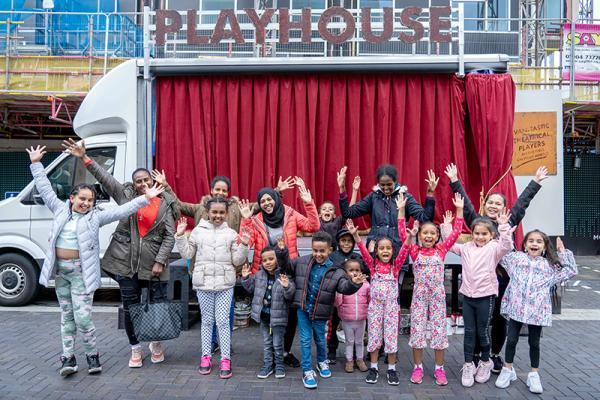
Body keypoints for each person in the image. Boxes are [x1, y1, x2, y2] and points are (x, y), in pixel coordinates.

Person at [27, 145, 164, 376]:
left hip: (82, 274)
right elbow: (45, 189)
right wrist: (36, 164)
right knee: (67, 317)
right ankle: (68, 358)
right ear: (72, 199)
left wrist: (145, 199)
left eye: (90, 200)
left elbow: (123, 211)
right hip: (61, 274)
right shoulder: (60, 210)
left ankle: (92, 356)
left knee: (82, 318)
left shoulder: (95, 218)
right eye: (82, 199)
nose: (86, 203)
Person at [62, 138, 178, 368]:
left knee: (156, 306)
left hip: (153, 264)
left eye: (146, 179)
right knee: (130, 306)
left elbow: (170, 235)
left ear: (152, 180)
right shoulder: (125, 195)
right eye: (138, 181)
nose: (143, 183)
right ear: (133, 184)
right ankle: (135, 348)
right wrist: (84, 157)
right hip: (124, 263)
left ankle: (155, 343)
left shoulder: (165, 202)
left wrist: (160, 260)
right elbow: (104, 177)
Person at [151, 170, 293, 354]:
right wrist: (166, 185)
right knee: (208, 313)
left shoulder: (236, 208)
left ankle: (224, 342)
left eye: (224, 190)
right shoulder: (199, 208)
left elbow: (259, 205)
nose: (220, 193)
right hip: (203, 268)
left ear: (228, 193)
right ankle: (210, 344)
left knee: (227, 310)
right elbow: (176, 204)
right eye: (217, 189)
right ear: (211, 191)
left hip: (228, 268)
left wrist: (277, 192)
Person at [445, 163, 548, 373]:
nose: (493, 205)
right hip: (479, 281)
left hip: (502, 281)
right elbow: (466, 207)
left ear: (503, 207)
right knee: (477, 322)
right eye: (490, 202)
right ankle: (475, 356)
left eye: (498, 203)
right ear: (485, 204)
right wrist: (455, 182)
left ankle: (493, 355)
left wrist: (535, 182)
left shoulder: (508, 222)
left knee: (500, 320)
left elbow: (522, 204)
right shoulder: (478, 222)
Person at [239, 177, 320, 368]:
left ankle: (284, 351)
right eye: (263, 201)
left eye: (270, 199)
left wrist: (308, 203)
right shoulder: (257, 220)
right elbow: (244, 241)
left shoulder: (290, 214)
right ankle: (273, 352)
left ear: (276, 198)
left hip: (288, 271)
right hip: (265, 273)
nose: (267, 204)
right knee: (269, 314)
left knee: (290, 315)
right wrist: (245, 220)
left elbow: (313, 226)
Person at [174, 197, 250, 379]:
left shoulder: (231, 233)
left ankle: (225, 359)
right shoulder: (198, 232)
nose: (217, 215)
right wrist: (180, 236)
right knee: (207, 321)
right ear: (208, 212)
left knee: (223, 322)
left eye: (221, 212)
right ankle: (206, 356)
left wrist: (245, 244)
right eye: (214, 212)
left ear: (226, 214)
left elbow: (237, 261)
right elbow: (187, 254)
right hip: (204, 284)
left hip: (225, 284)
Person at [495, 234, 577, 394]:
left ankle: (534, 374)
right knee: (511, 340)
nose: (534, 244)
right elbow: (500, 253)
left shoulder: (549, 266)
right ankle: (508, 369)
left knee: (534, 343)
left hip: (537, 313)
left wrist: (563, 252)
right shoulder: (516, 260)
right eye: (531, 241)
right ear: (525, 245)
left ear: (545, 247)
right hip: (516, 310)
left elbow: (571, 271)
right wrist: (504, 230)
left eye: (539, 242)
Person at [441, 210, 513, 387]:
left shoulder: (495, 248)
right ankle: (468, 364)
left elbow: (507, 245)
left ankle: (485, 362)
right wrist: (446, 227)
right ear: (471, 234)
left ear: (491, 235)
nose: (480, 237)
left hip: (485, 297)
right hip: (468, 297)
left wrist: (503, 226)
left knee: (482, 331)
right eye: (477, 233)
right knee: (469, 332)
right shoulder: (466, 248)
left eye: (484, 234)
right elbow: (450, 244)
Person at [287, 231, 366, 389]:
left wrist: (354, 283)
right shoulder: (302, 262)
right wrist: (282, 251)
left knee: (320, 339)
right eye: (315, 250)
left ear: (330, 250)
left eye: (322, 251)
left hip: (321, 312)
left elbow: (344, 287)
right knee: (305, 340)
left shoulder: (337, 271)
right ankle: (307, 370)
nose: (318, 254)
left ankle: (322, 361)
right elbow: (286, 265)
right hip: (303, 309)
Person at [399, 193, 464, 386]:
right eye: (425, 233)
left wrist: (459, 210)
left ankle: (439, 368)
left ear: (437, 236)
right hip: (419, 297)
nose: (428, 236)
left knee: (439, 332)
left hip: (437, 297)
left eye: (432, 233)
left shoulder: (441, 250)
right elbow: (403, 233)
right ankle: (417, 367)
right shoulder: (414, 250)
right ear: (419, 236)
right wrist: (401, 210)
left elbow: (456, 233)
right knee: (417, 331)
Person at [349, 219, 409, 386]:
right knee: (374, 337)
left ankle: (391, 369)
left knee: (391, 338)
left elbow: (404, 250)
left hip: (391, 309)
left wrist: (409, 239)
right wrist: (355, 235)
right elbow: (362, 249)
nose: (385, 251)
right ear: (376, 252)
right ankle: (374, 368)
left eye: (388, 248)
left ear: (392, 251)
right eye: (381, 248)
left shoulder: (395, 267)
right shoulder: (372, 265)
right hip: (375, 309)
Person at [337, 165, 436, 251]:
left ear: (395, 181)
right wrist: (342, 188)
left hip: (398, 250)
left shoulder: (405, 197)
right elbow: (348, 213)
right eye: (382, 185)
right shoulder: (373, 197)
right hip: (375, 250)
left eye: (389, 184)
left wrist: (430, 194)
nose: (386, 188)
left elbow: (426, 218)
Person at [240, 239, 295, 379]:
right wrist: (245, 278)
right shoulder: (258, 275)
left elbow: (290, 296)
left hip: (278, 319)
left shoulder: (284, 275)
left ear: (277, 260)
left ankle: (280, 365)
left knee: (277, 344)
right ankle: (268, 365)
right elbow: (251, 289)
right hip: (264, 317)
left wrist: (287, 286)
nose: (268, 262)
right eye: (265, 260)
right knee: (266, 343)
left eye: (271, 259)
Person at [334, 259, 370, 373]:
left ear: (361, 271)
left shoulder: (365, 285)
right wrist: (339, 295)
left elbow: (369, 300)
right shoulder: (344, 285)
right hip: (347, 319)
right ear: (346, 272)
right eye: (351, 270)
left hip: (361, 319)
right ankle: (349, 361)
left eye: (357, 270)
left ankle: (360, 360)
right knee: (349, 341)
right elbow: (337, 302)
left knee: (359, 341)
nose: (354, 272)